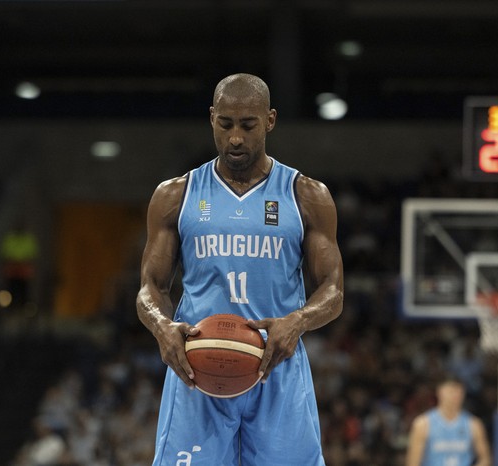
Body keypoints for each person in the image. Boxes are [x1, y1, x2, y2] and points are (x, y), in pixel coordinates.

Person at [136, 73, 344, 465]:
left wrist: (298, 320)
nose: (235, 138)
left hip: (277, 369)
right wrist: (161, 327)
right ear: (211, 117)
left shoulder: (307, 196)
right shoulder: (175, 195)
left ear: (270, 120)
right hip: (197, 367)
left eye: (248, 125)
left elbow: (333, 291)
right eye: (225, 124)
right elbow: (150, 287)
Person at [406, 374, 492, 466]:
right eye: (451, 391)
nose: (455, 395)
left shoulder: (473, 424)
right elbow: (413, 462)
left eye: (458, 391)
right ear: (439, 392)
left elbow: (485, 459)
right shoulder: (423, 424)